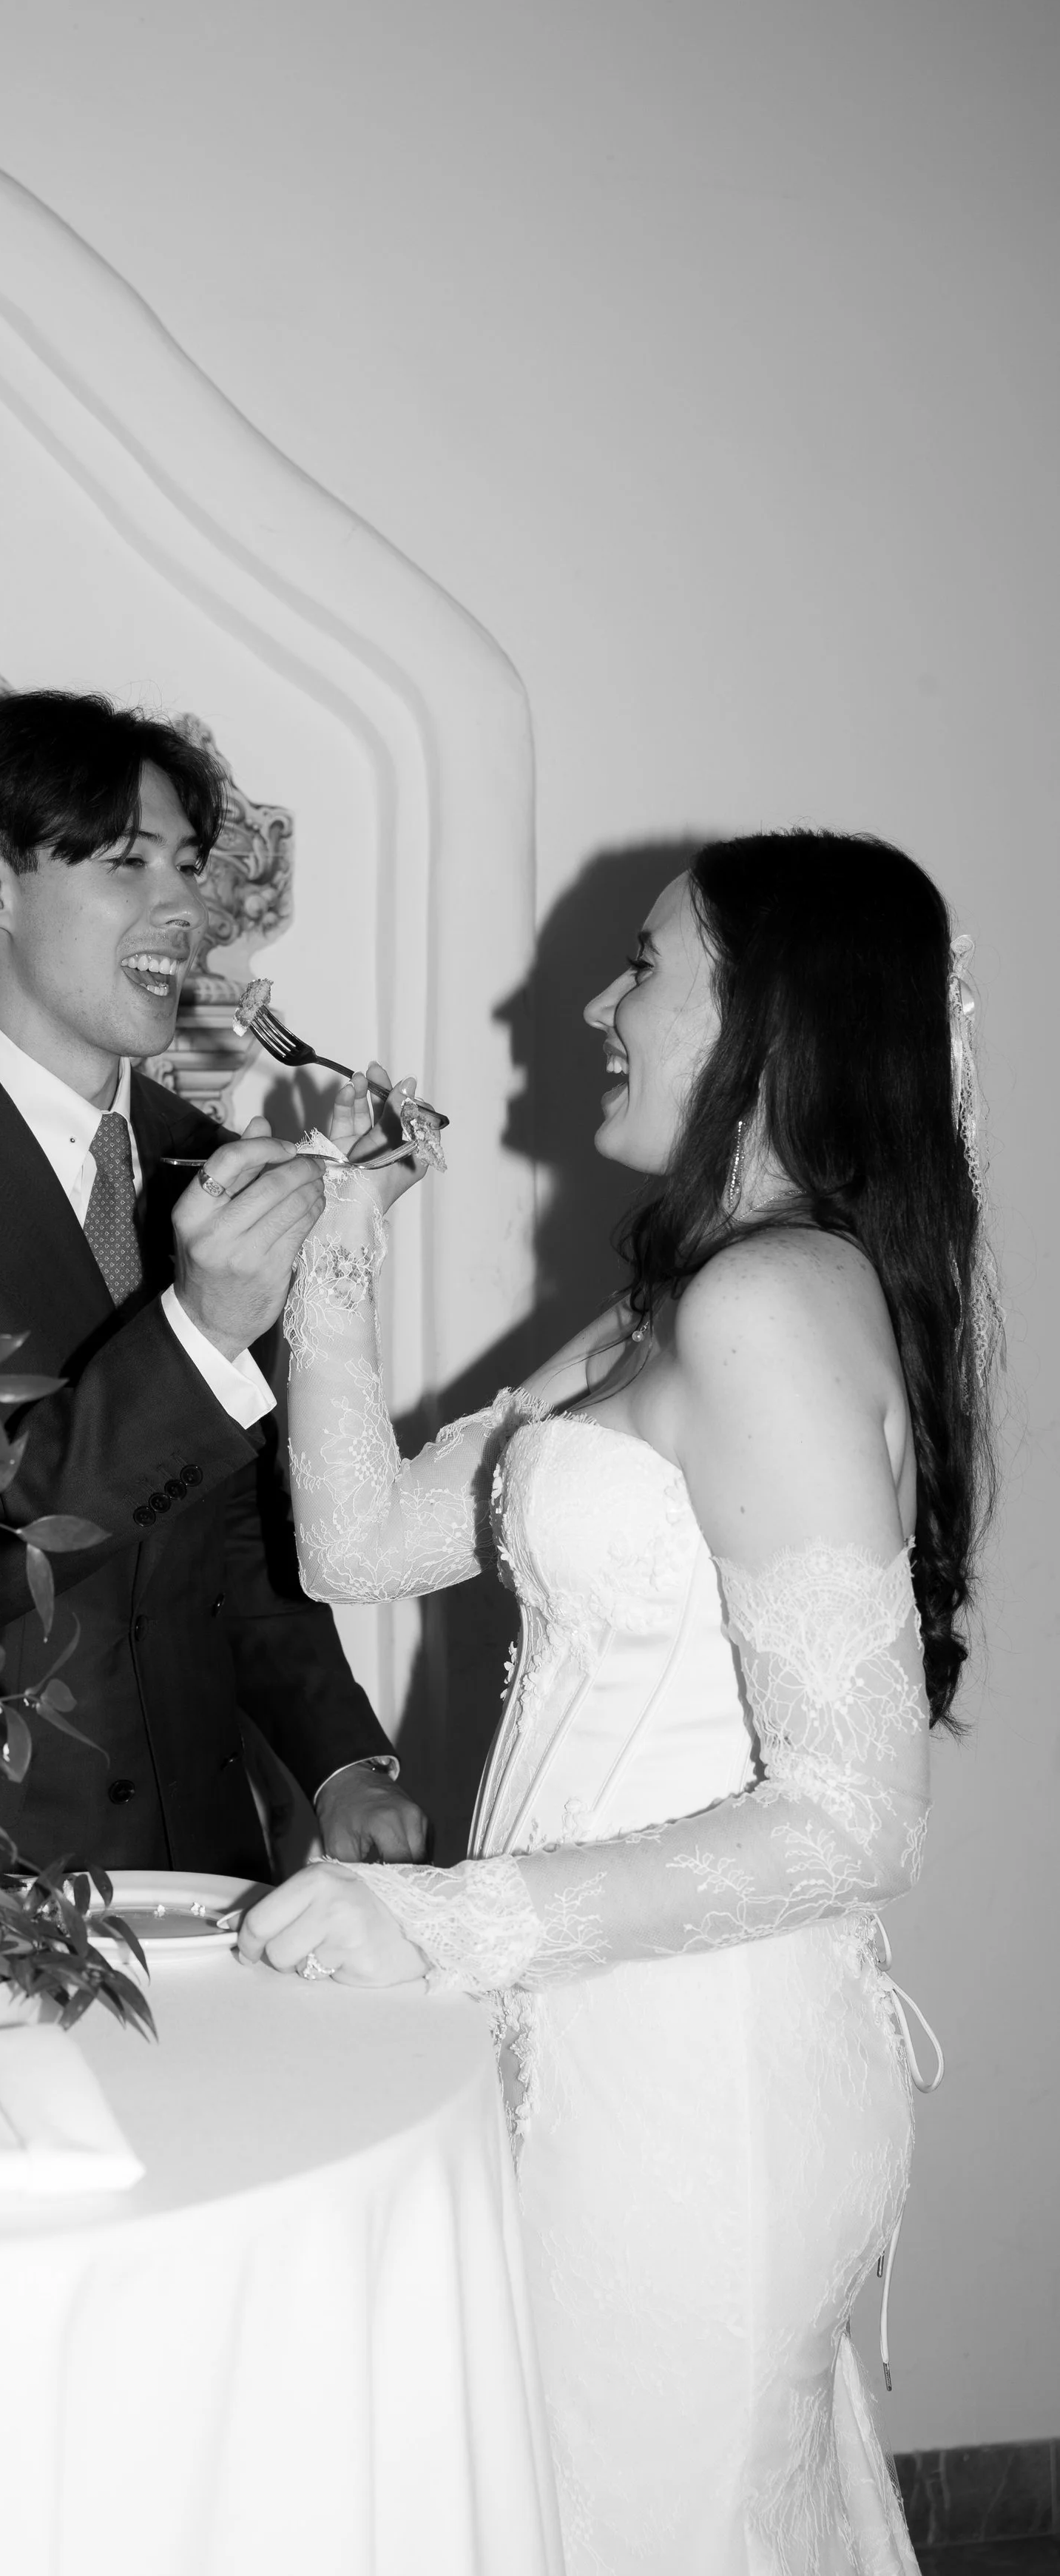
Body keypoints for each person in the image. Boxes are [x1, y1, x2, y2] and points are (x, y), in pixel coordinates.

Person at [240, 833, 994, 2572]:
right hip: (583, 2039)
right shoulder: (664, 1306)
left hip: (694, 2076)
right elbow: (360, 1546)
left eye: (641, 969)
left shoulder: (767, 1303)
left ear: (767, 1022)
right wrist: (336, 1243)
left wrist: (445, 1922)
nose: (592, 1000)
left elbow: (851, 1816)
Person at [0, 690, 425, 1878]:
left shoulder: (201, 1161)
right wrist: (200, 1327)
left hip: (211, 1862)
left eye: (189, 864)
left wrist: (341, 1760)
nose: (190, 910)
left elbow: (236, 1529)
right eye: (127, 863)